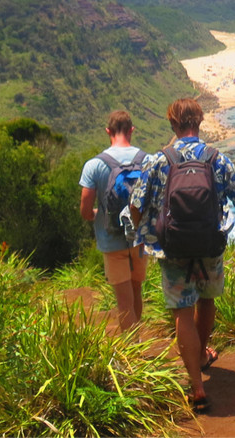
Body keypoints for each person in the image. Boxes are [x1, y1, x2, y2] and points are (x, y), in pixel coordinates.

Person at [130, 97, 235, 414]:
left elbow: (135, 205)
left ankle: (197, 386)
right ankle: (201, 355)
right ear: (199, 122)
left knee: (182, 310)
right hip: (210, 246)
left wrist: (141, 229)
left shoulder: (159, 161)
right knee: (206, 300)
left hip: (172, 248)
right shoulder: (215, 158)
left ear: (172, 124)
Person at [79, 110, 148, 332]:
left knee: (123, 300)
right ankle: (137, 344)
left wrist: (96, 214)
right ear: (131, 130)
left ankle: (132, 352)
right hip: (139, 237)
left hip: (111, 240)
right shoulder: (146, 160)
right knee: (136, 290)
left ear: (108, 131)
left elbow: (85, 208)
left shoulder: (94, 165)